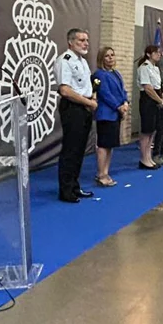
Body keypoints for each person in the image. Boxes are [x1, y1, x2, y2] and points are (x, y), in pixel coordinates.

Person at [56, 28, 97, 204]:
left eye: (87, 40)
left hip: (85, 106)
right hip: (73, 107)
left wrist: (92, 98)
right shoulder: (64, 61)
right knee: (71, 149)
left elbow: (87, 85)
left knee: (80, 149)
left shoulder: (83, 61)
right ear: (70, 42)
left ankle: (74, 185)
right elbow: (65, 90)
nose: (85, 43)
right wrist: (88, 103)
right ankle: (65, 190)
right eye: (81, 40)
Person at [92, 46, 129, 187]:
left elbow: (122, 90)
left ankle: (106, 171)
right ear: (102, 58)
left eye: (112, 55)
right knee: (103, 144)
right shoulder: (99, 75)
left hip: (116, 114)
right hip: (105, 114)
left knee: (110, 145)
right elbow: (105, 94)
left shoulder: (116, 73)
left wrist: (125, 102)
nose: (110, 58)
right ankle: (100, 174)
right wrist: (118, 106)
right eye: (107, 56)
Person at [136, 45, 163, 170]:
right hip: (148, 100)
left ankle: (149, 157)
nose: (159, 55)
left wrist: (162, 97)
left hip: (157, 99)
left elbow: (159, 85)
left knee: (153, 130)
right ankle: (143, 159)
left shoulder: (156, 68)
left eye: (159, 53)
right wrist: (159, 100)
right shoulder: (144, 68)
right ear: (148, 54)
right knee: (146, 131)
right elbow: (148, 88)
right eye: (156, 53)